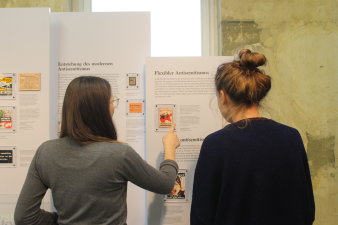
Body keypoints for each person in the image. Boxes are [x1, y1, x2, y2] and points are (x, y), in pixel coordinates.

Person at [14, 76, 180, 225]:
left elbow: (24, 217)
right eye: (111, 101)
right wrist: (169, 148)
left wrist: (62, 220)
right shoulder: (119, 154)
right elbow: (165, 184)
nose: (113, 106)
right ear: (98, 109)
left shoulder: (46, 152)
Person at [190, 49, 315, 225]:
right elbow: (307, 210)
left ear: (223, 96)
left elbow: (201, 217)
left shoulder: (215, 144)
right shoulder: (291, 138)